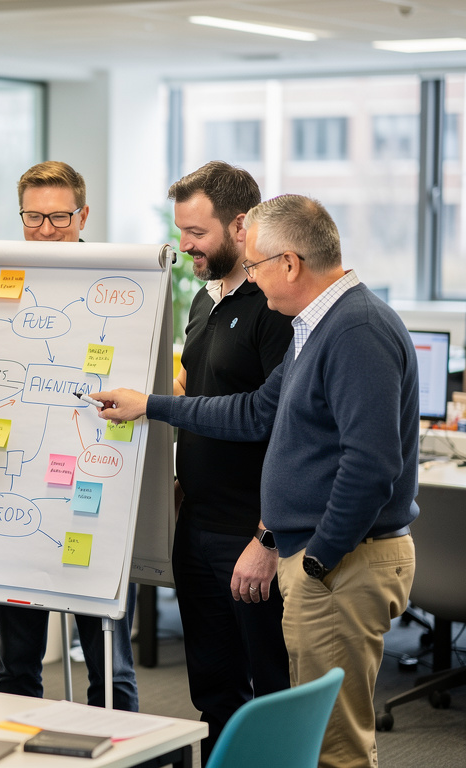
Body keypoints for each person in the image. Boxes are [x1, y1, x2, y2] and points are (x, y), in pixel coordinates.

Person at [93, 194, 417, 768]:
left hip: (341, 562)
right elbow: (254, 412)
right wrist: (152, 406)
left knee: (330, 748)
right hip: (319, 556)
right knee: (303, 736)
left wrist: (318, 558)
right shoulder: (314, 327)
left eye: (257, 265)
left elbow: (371, 466)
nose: (253, 279)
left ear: (289, 264)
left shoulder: (355, 329)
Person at [0, 160, 138, 711]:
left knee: (110, 669)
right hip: (17, 495)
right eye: (33, 217)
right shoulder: (0, 284)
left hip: (97, 495)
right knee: (16, 670)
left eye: (58, 217)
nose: (45, 229)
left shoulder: (125, 287)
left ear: (83, 214)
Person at [166, 161, 291, 759]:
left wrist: (266, 540)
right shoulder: (201, 299)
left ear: (241, 226)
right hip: (198, 527)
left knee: (270, 693)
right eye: (181, 231)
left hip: (251, 535)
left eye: (196, 233)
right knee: (212, 691)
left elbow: (278, 425)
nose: (184, 245)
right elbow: (201, 395)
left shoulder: (275, 308)